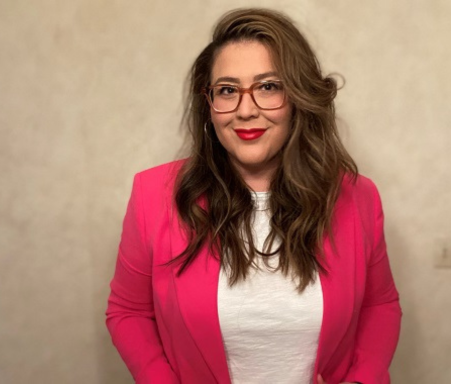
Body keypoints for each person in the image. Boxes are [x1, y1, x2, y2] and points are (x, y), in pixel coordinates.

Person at [106, 8, 401, 384]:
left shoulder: (357, 197)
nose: (246, 111)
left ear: (298, 97)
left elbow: (381, 305)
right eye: (227, 90)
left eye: (268, 87)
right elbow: (128, 311)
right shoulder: (153, 195)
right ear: (208, 104)